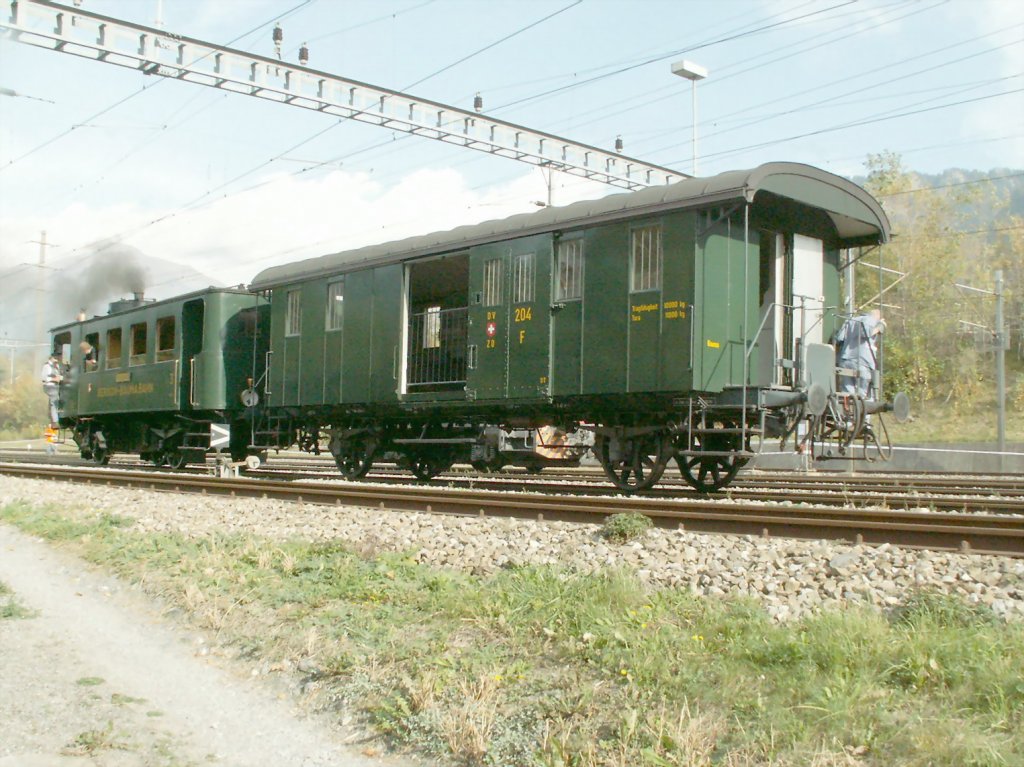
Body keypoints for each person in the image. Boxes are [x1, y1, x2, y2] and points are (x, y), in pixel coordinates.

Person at [835, 309, 885, 397]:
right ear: (877, 317)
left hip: (845, 359)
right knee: (862, 395)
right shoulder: (871, 320)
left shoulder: (850, 321)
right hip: (862, 361)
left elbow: (839, 338)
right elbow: (867, 333)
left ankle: (848, 410)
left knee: (847, 393)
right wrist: (881, 326)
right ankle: (860, 409)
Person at [40, 355, 62, 426]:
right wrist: (54, 379)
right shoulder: (47, 366)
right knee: (54, 401)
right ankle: (55, 421)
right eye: (55, 359)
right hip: (49, 386)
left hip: (57, 386)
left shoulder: (57, 366)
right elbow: (44, 378)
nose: (57, 360)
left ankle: (58, 417)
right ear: (51, 358)